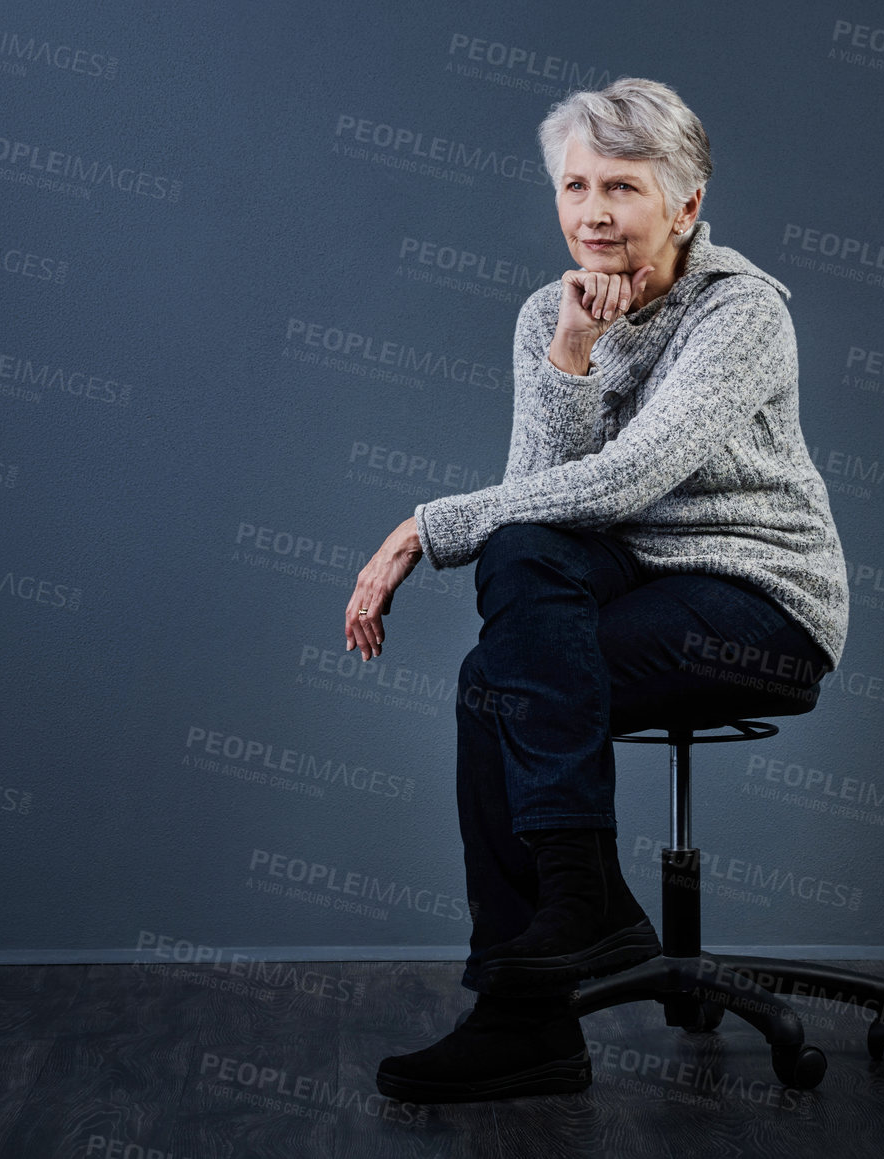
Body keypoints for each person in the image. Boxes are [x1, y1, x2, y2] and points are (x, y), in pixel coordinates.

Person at [341, 77, 850, 1104]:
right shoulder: (547, 312)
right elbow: (538, 505)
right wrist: (571, 351)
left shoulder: (738, 310)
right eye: (574, 186)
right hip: (619, 586)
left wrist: (421, 527)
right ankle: (546, 968)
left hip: (756, 597)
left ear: (685, 205)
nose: (592, 213)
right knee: (503, 628)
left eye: (621, 186)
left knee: (504, 671)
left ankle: (561, 936)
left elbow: (628, 480)